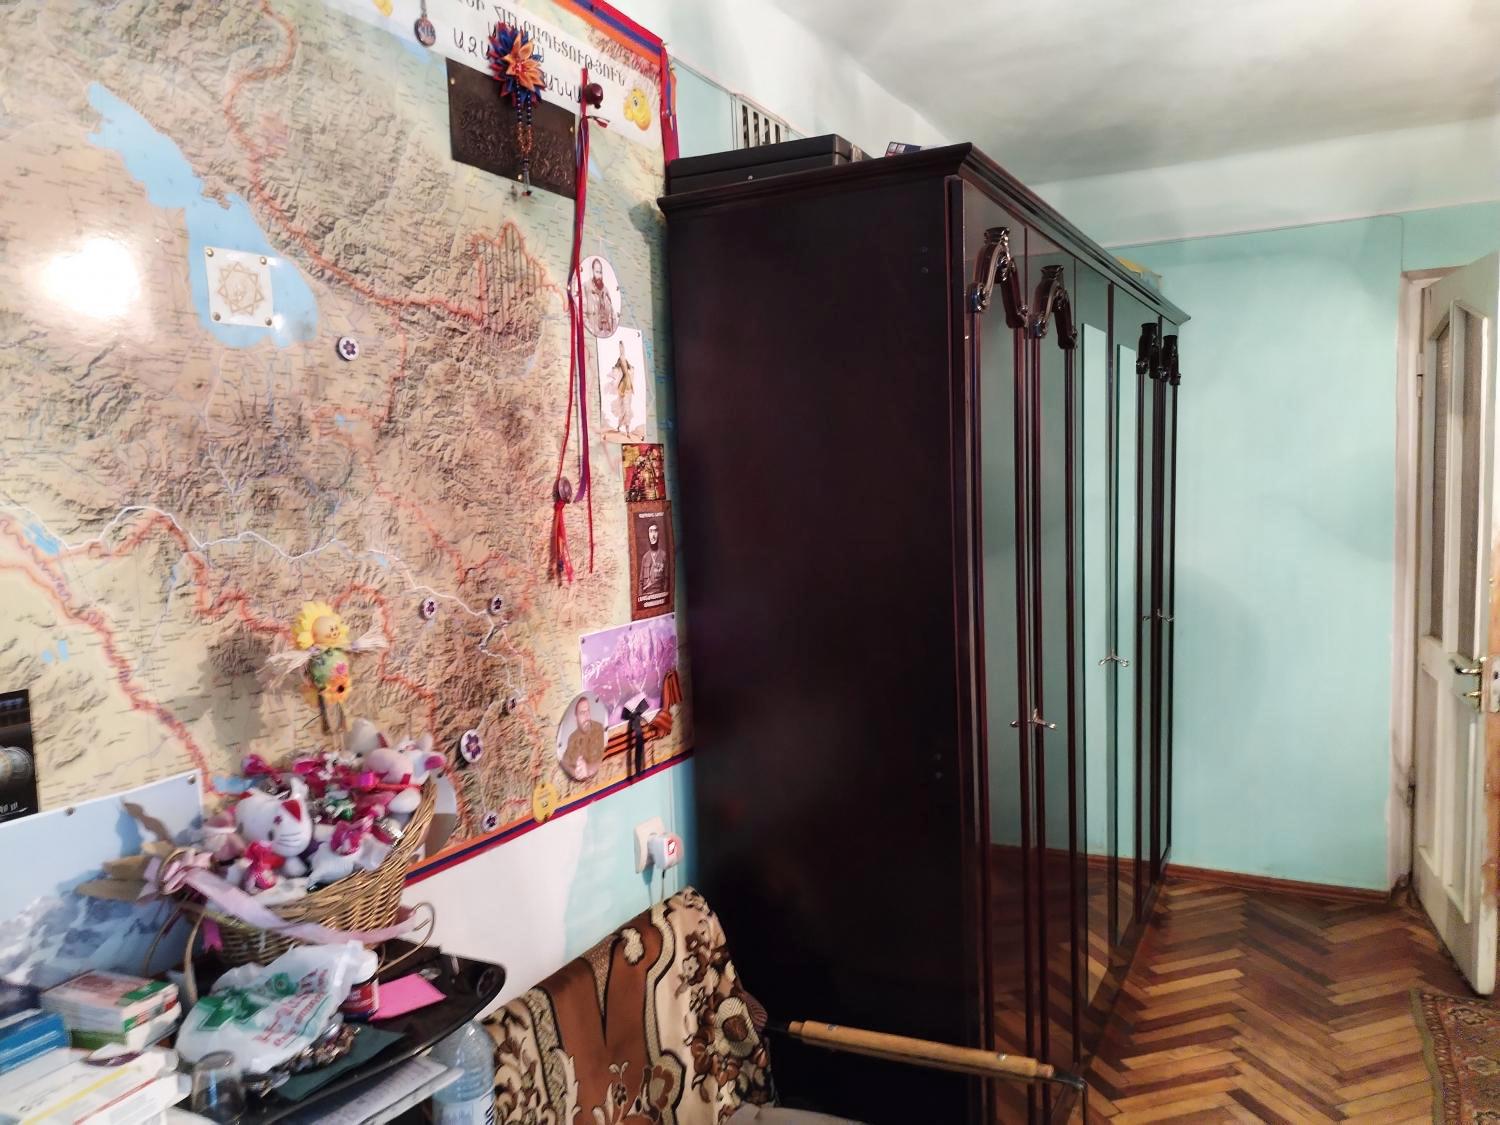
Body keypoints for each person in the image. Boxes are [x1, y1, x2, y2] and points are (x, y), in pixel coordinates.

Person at [562, 695, 605, 780]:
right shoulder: (572, 738)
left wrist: (588, 770)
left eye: (588, 711)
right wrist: (574, 772)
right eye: (582, 713)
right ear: (576, 718)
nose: (587, 716)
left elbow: (605, 758)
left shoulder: (599, 729)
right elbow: (565, 762)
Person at [582, 259, 618, 337]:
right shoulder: (585, 287)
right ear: (592, 271)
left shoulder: (606, 290)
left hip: (607, 335)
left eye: (600, 272)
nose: (599, 276)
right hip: (594, 335)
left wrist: (612, 334)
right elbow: (582, 316)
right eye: (597, 272)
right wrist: (593, 332)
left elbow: (613, 317)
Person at [610, 350, 637, 438]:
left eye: (624, 362)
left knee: (626, 411)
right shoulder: (621, 371)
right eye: (622, 363)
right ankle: (627, 432)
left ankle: (619, 426)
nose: (623, 364)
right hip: (624, 392)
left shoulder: (630, 370)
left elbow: (631, 374)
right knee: (626, 410)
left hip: (629, 393)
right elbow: (615, 371)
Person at [638, 521, 668, 599]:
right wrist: (641, 598)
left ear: (658, 534)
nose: (653, 535)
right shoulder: (645, 557)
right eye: (650, 531)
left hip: (659, 596)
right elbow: (640, 582)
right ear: (648, 535)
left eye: (655, 531)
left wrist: (663, 596)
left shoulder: (663, 555)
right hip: (646, 597)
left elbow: (666, 579)